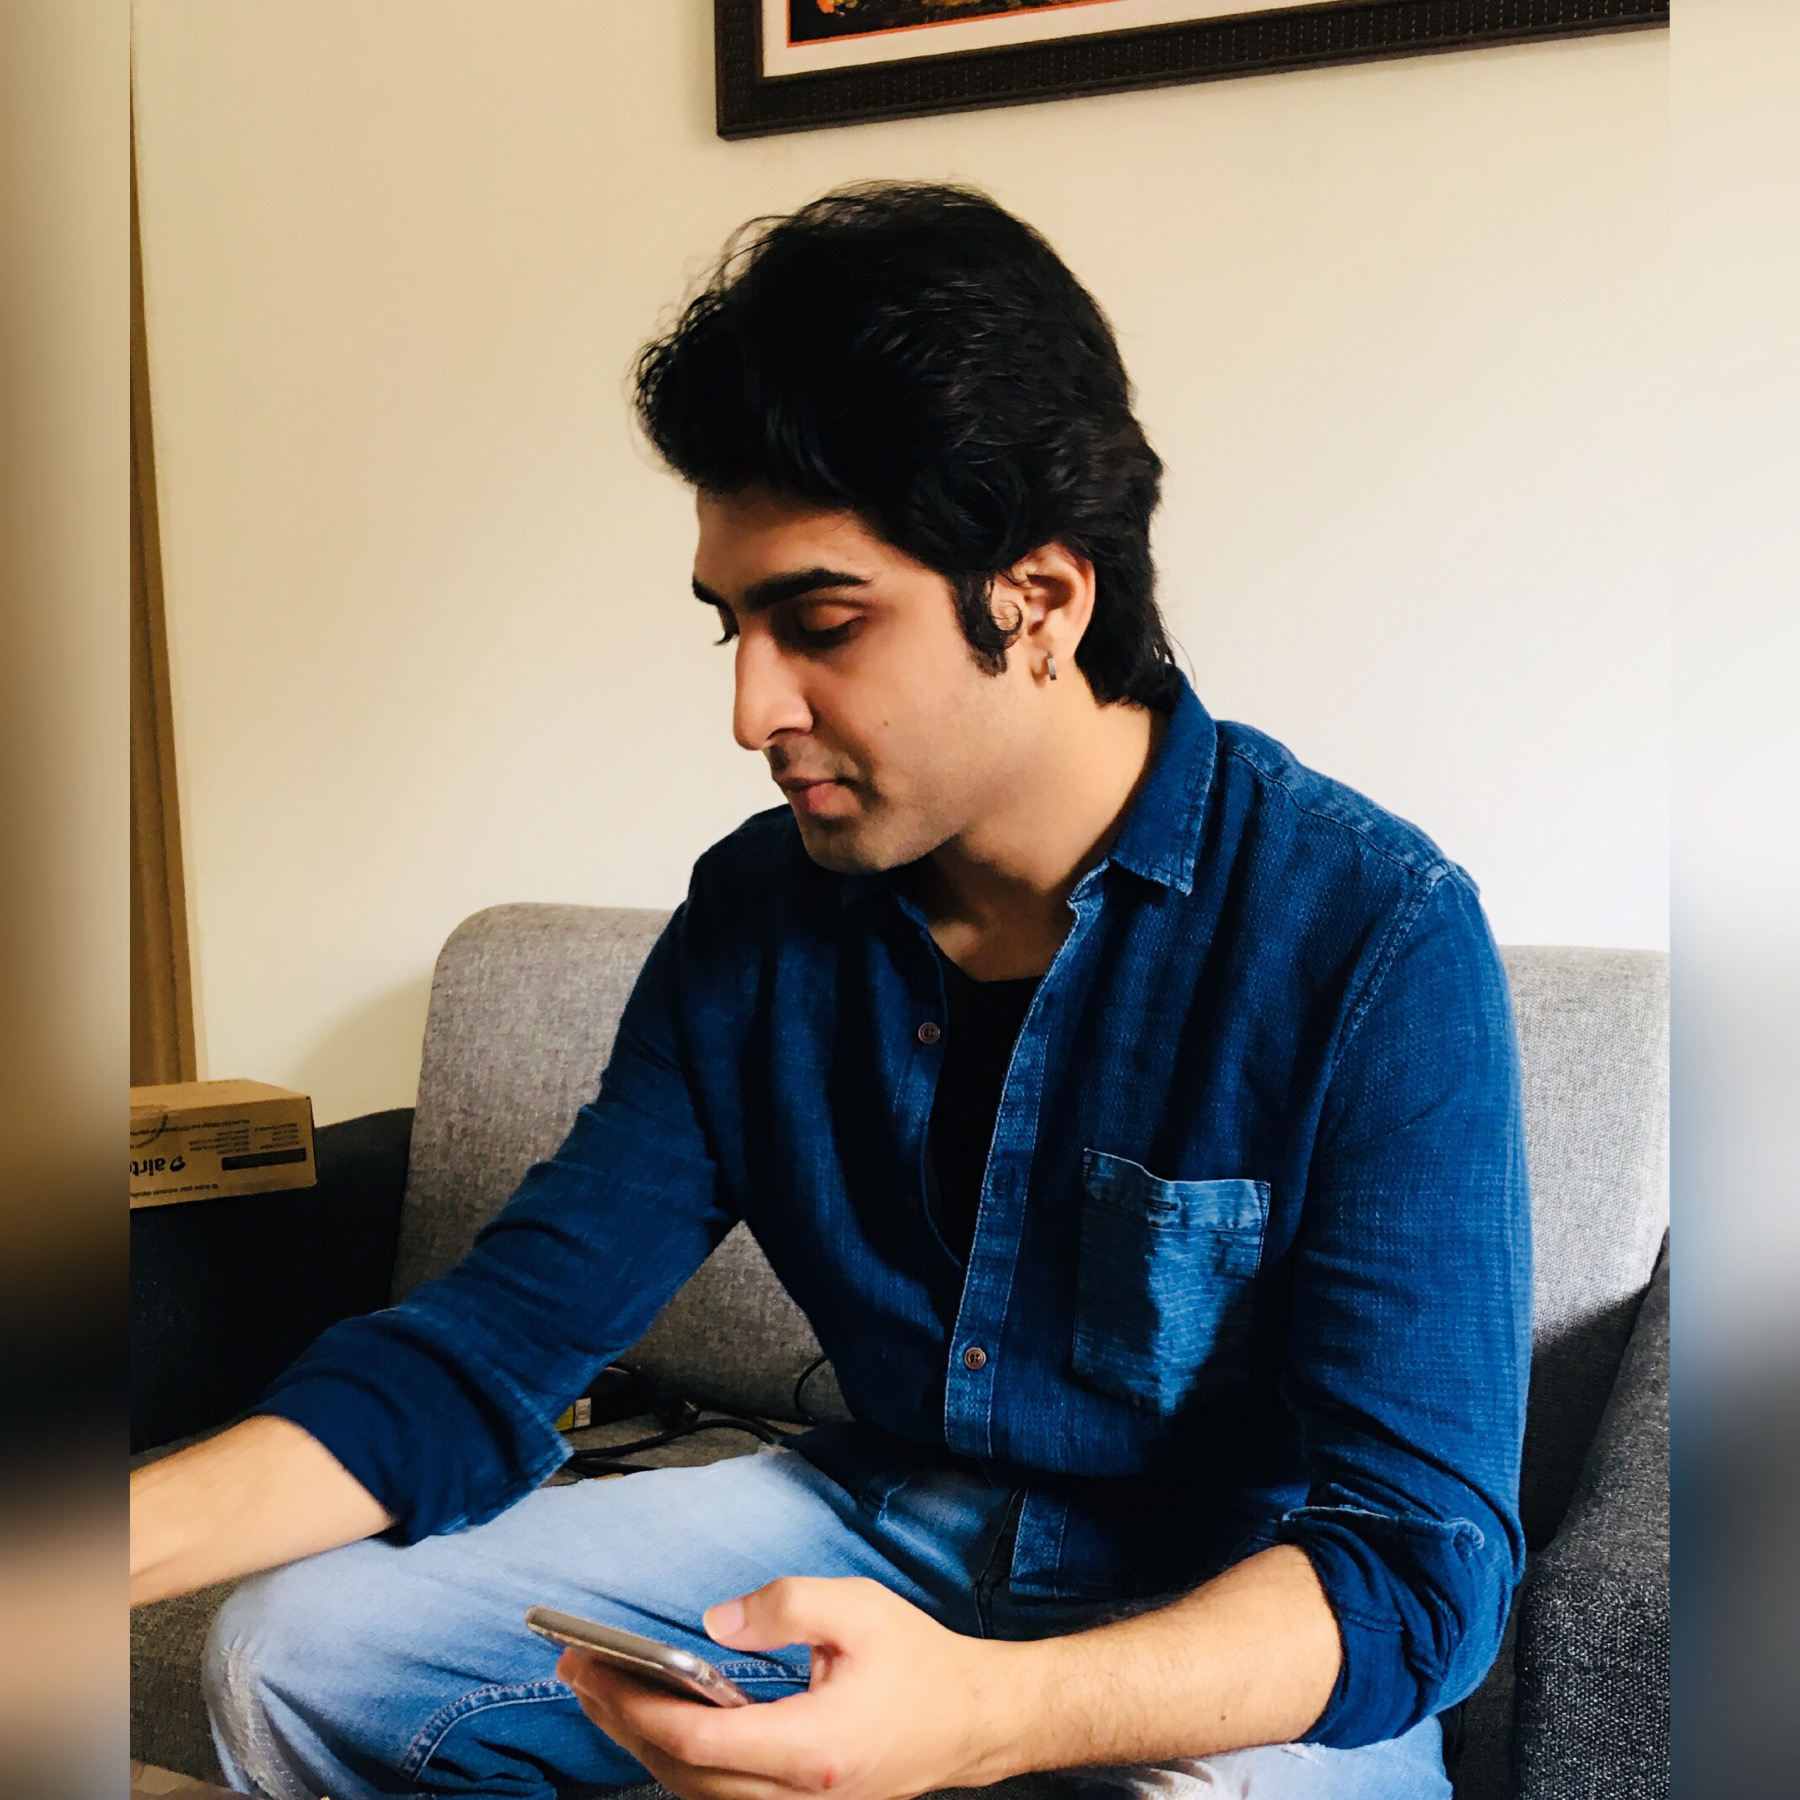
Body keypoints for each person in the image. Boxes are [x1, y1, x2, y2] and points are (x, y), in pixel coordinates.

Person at [130, 184, 1530, 1800]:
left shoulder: (1372, 935)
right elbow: (494, 1342)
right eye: (732, 627)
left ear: (1040, 599)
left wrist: (980, 1718)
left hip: (1213, 1605)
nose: (751, 708)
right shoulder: (759, 916)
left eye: (821, 623)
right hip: (880, 1518)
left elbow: (1417, 1566)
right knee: (299, 1652)